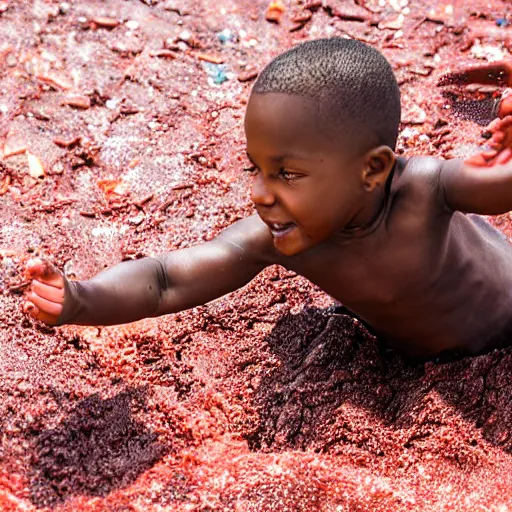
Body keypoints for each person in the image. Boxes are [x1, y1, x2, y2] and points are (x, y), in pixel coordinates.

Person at [22, 38, 512, 361]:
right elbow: (166, 278)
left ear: (373, 169)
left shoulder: (426, 190)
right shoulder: (281, 239)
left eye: (288, 174)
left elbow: (497, 190)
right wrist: (81, 300)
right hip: (423, 363)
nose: (260, 193)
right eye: (256, 168)